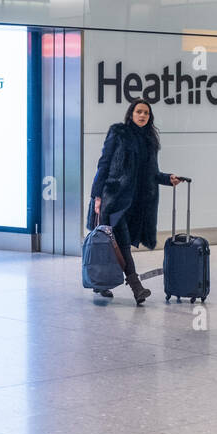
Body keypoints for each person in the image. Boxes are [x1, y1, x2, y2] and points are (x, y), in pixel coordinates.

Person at [89, 100, 182, 304]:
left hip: (134, 204)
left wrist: (168, 179)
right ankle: (136, 288)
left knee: (111, 245)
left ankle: (100, 283)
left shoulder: (150, 141)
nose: (142, 115)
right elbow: (103, 164)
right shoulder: (119, 133)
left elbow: (151, 174)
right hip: (113, 199)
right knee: (121, 244)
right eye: (139, 111)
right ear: (131, 113)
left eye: (146, 113)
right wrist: (97, 196)